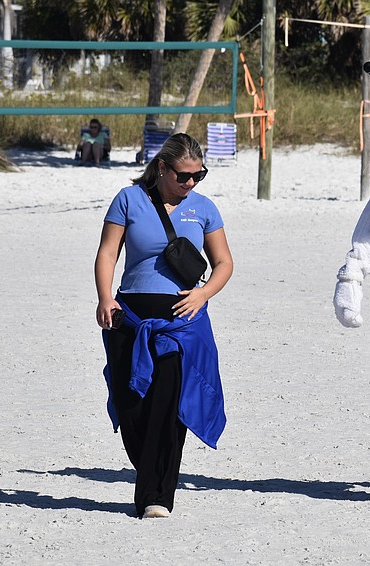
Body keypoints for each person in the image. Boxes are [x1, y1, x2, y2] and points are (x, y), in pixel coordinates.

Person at [94, 133, 233, 519]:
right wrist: (106, 297)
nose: (191, 184)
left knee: (168, 405)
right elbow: (108, 253)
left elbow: (224, 263)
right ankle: (149, 468)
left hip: (181, 322)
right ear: (162, 168)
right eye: (184, 176)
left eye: (198, 176)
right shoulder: (129, 200)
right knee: (130, 402)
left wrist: (203, 295)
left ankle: (156, 496)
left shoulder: (203, 209)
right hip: (129, 317)